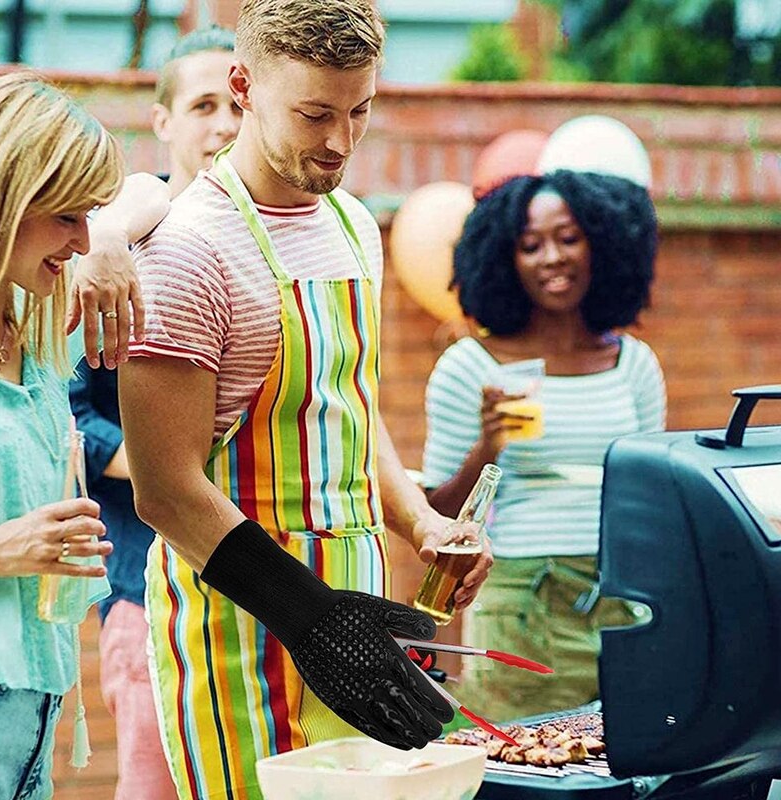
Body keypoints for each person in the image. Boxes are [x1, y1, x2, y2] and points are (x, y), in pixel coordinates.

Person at [119, 1, 493, 797]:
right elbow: (165, 491)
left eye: (360, 111)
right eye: (314, 114)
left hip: (353, 617)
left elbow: (350, 414)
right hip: (241, 630)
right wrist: (311, 617)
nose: (340, 142)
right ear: (244, 86)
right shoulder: (188, 249)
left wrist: (420, 522)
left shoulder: (354, 226)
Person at [422, 169, 667, 723]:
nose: (552, 258)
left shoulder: (634, 364)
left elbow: (650, 494)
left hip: (623, 598)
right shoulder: (470, 366)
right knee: (528, 757)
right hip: (522, 605)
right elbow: (436, 513)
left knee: (632, 755)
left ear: (601, 246)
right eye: (530, 245)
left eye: (569, 238)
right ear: (504, 260)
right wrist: (489, 443)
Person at [69, 25, 241, 800]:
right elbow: (66, 414)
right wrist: (173, 469)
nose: (225, 125)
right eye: (203, 105)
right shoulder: (118, 242)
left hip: (262, 593)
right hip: (149, 590)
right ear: (163, 121)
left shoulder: (276, 243)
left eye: (237, 105)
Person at [0, 70, 123, 800]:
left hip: (34, 721)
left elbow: (161, 196)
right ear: (3, 199)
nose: (84, 240)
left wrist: (114, 242)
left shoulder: (35, 340)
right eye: (69, 215)